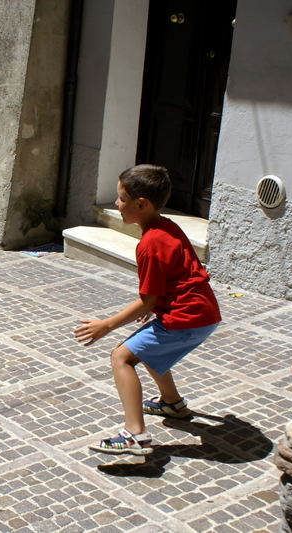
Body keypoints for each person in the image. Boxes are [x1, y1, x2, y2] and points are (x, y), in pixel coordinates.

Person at [73, 164, 221, 456]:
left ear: (141, 203)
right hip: (203, 313)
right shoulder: (167, 226)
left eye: (121, 198)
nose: (116, 204)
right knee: (150, 348)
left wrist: (106, 325)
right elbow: (174, 279)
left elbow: (147, 300)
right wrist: (156, 306)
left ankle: (135, 435)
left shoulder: (150, 244)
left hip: (187, 317)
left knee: (122, 357)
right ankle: (172, 403)